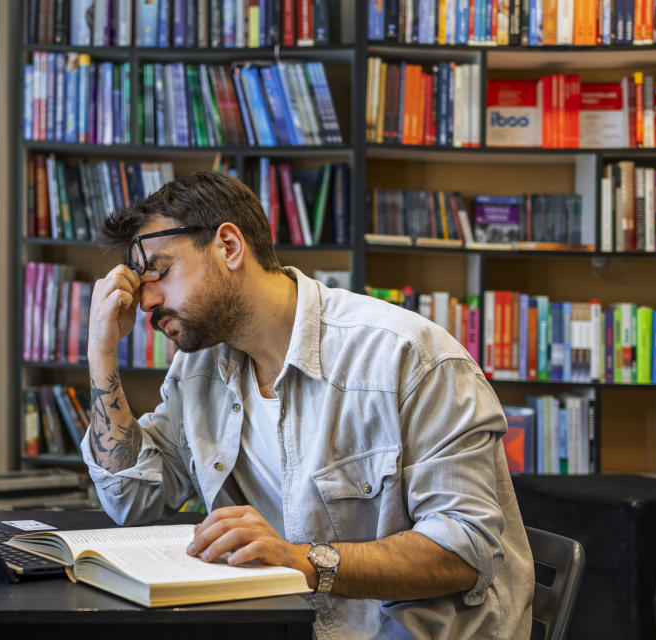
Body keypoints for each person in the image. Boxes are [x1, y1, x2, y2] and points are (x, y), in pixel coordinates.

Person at [81, 171, 534, 639]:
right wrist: (101, 354)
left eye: (159, 270)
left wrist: (301, 561)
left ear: (229, 246)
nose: (147, 300)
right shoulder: (199, 372)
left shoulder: (408, 356)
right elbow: (131, 500)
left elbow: (465, 549)